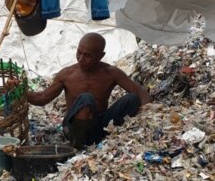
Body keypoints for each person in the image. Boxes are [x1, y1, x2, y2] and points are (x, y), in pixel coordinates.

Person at [23, 32, 151, 149]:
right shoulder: (67, 74)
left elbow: (140, 92)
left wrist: (147, 113)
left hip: (100, 127)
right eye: (79, 52)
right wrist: (20, 92)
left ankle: (104, 138)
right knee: (86, 98)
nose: (81, 58)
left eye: (87, 55)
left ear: (100, 56)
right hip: (73, 129)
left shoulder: (110, 73)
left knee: (132, 98)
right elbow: (42, 98)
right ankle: (77, 145)